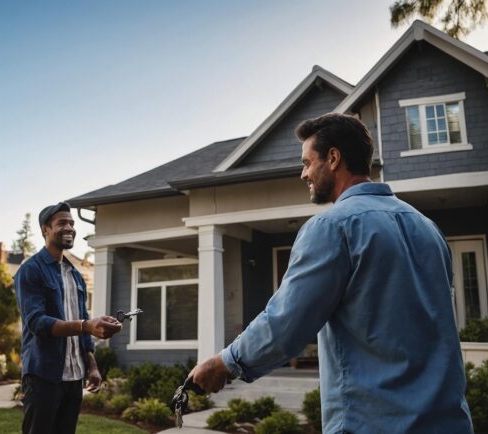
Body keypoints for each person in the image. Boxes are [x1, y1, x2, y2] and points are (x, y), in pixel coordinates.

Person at [190, 113, 473, 433]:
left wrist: (225, 362)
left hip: (373, 422)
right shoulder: (428, 228)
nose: (303, 174)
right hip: (448, 421)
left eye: (308, 162)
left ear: (334, 158)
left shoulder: (333, 226)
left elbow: (287, 322)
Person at [15, 201, 123, 434]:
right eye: (62, 223)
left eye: (72, 223)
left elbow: (82, 318)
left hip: (74, 377)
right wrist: (86, 326)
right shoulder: (31, 270)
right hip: (43, 375)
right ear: (45, 229)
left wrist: (91, 365)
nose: (70, 227)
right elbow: (37, 323)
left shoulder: (75, 275)